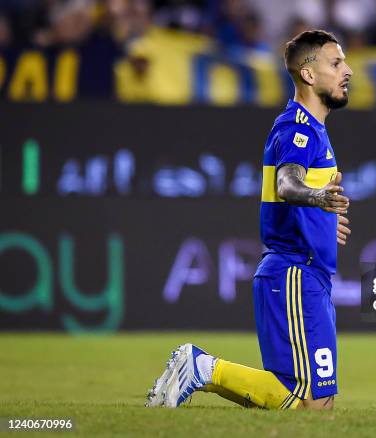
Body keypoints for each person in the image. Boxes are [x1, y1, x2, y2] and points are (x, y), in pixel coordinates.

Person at [145, 29, 353, 410]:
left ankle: (202, 369)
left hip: (311, 275)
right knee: (308, 405)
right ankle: (202, 368)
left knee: (318, 403)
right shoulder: (297, 128)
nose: (348, 70)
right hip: (294, 274)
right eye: (336, 63)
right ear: (308, 74)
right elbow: (289, 183)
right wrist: (320, 197)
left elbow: (296, 196)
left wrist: (323, 219)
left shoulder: (315, 130)